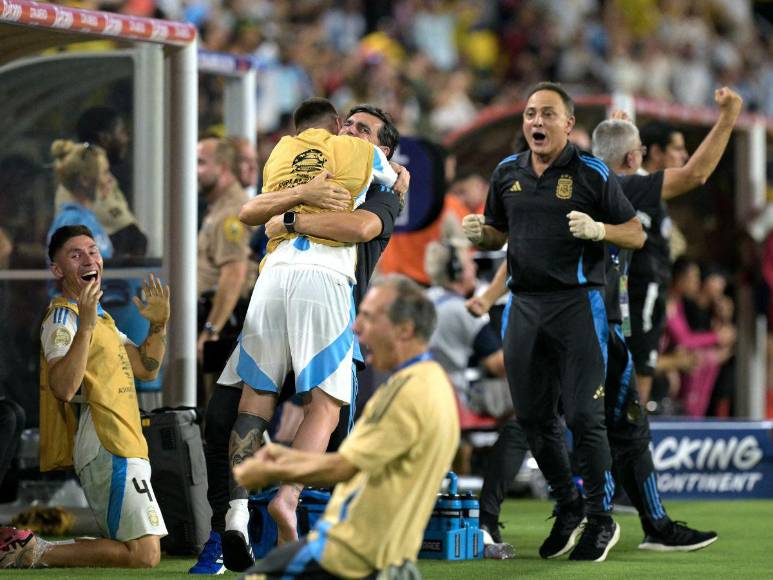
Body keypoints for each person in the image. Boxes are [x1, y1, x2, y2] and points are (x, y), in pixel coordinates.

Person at [191, 104, 406, 575]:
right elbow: (255, 211)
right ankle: (273, 505)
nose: (350, 131)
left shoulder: (293, 157)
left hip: (274, 276)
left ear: (384, 146)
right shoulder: (363, 165)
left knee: (254, 401)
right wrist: (307, 196)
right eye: (347, 124)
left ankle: (236, 516)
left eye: (363, 129)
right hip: (319, 284)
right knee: (319, 407)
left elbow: (363, 226)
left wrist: (290, 218)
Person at [462, 81, 644, 562]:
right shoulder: (505, 173)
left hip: (577, 305)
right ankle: (568, 506)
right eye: (529, 114)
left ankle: (601, 522)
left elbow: (636, 233)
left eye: (546, 114)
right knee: (535, 419)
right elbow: (499, 234)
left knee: (585, 417)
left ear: (569, 124)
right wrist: (482, 235)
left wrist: (600, 229)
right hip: (522, 306)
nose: (536, 122)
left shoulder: (592, 171)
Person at [232, 275, 459, 579]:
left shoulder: (413, 392)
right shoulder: (428, 383)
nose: (356, 326)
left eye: (368, 316)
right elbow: (361, 465)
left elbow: (344, 467)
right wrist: (284, 461)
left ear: (404, 329)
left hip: (352, 559)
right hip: (383, 560)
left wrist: (276, 471)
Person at [0, 225, 170, 569]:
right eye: (75, 254)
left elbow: (145, 367)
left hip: (125, 441)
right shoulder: (63, 316)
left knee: (133, 550)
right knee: (145, 554)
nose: (89, 259)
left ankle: (31, 549)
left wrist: (158, 326)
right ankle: (31, 552)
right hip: (106, 443)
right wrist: (87, 325)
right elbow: (62, 387)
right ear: (58, 270)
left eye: (93, 251)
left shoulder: (101, 318)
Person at [630, 93, 741, 406]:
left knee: (634, 416)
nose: (684, 155)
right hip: (633, 311)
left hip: (647, 312)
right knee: (630, 416)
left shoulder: (654, 204)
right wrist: (728, 118)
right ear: (655, 153)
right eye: (677, 149)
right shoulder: (635, 188)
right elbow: (697, 173)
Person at [55, 107, 148, 257]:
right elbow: (129, 237)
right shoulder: (73, 220)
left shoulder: (88, 219)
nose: (108, 180)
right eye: (121, 131)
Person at [196, 138, 254, 370]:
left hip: (225, 324)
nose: (194, 171)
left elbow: (234, 274)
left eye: (200, 163)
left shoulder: (229, 214)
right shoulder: (217, 206)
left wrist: (211, 330)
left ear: (222, 168)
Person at [48, 141, 115, 260]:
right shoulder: (72, 223)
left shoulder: (88, 219)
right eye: (104, 173)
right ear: (85, 180)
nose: (110, 179)